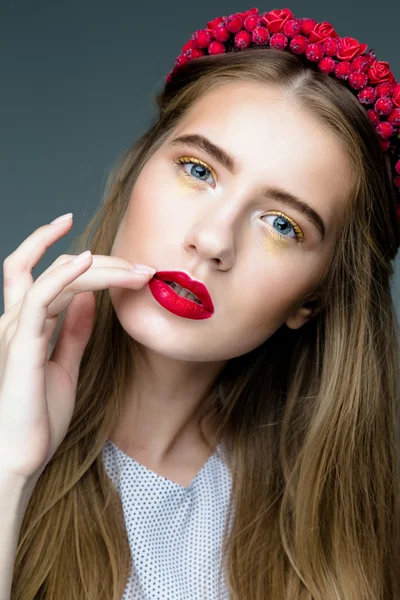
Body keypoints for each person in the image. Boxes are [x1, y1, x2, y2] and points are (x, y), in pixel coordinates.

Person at [1, 5, 399, 599]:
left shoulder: (333, 542)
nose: (212, 240)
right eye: (198, 169)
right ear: (140, 169)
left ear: (312, 300)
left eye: (282, 225)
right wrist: (9, 472)